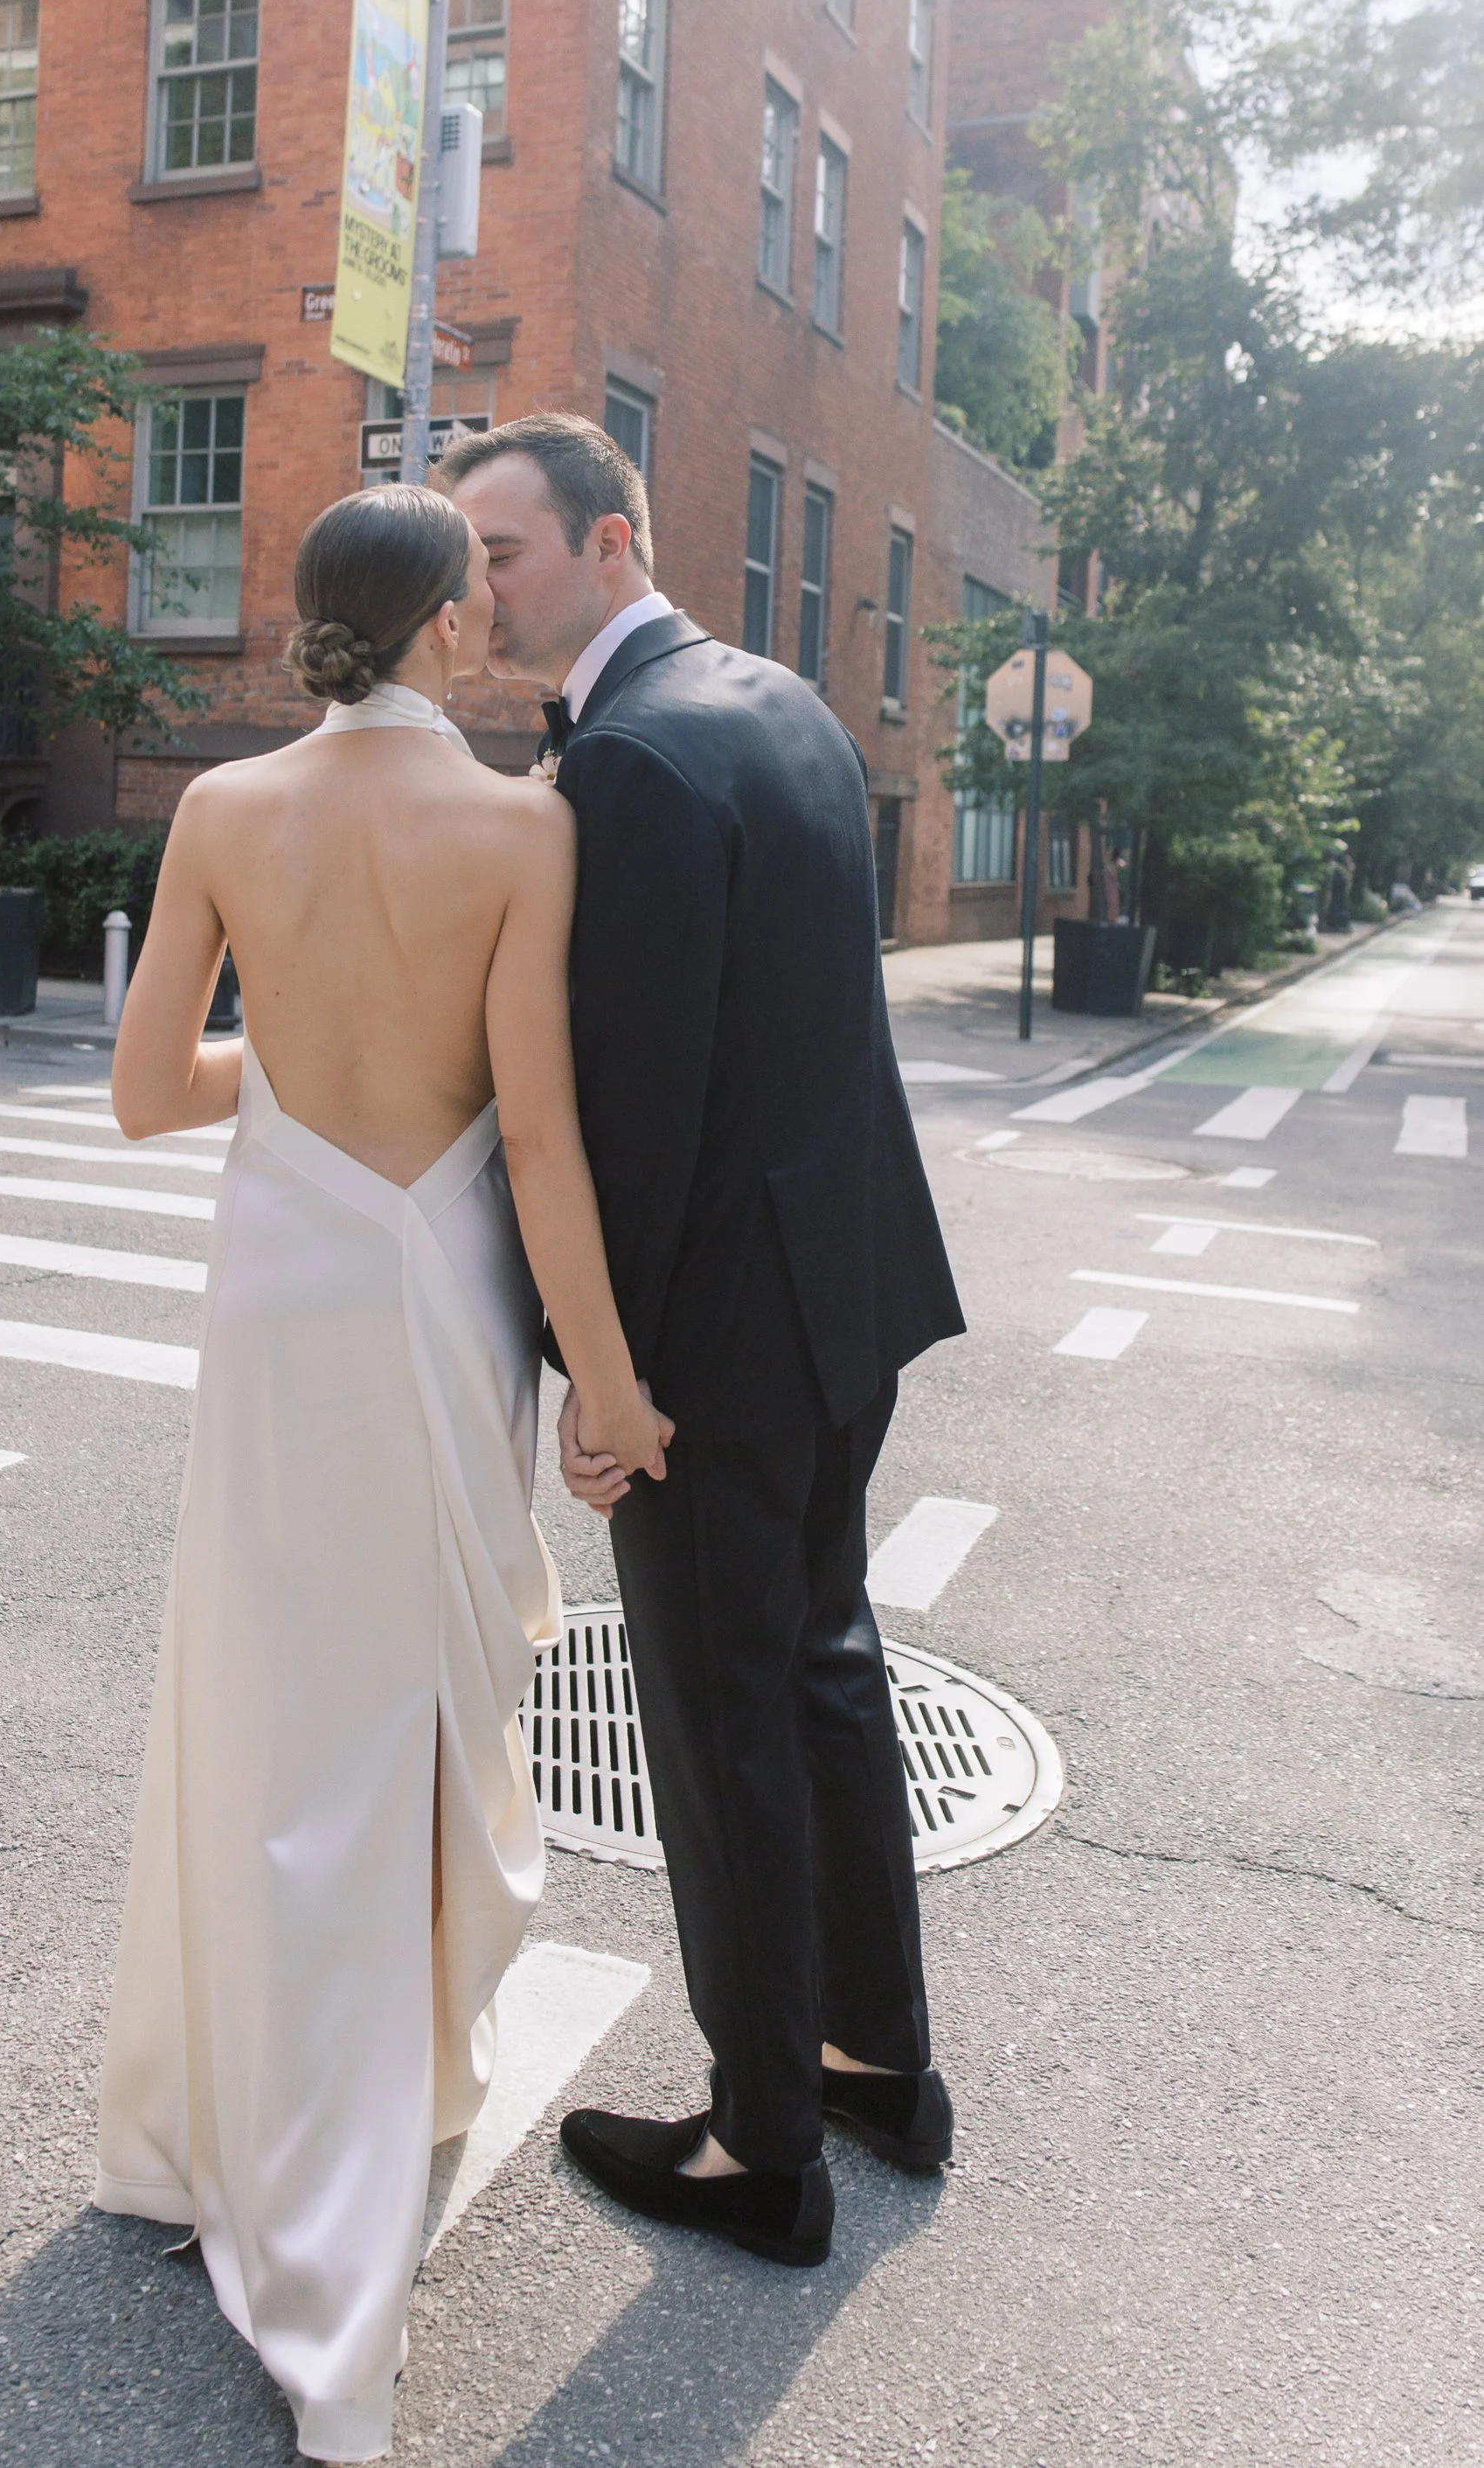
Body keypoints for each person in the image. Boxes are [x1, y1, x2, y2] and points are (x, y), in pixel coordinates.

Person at [94, 483, 668, 2463]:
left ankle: (231, 2111)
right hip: (427, 1284)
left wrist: (302, 1059)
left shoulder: (219, 814)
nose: (490, 624)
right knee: (416, 1703)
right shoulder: (524, 824)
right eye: (474, 602)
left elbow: (145, 1089)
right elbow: (532, 1141)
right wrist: (607, 1382)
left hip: (279, 1283)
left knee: (263, 1699)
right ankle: (384, 2091)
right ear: (435, 625)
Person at [440, 412, 967, 2269]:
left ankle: (763, 2146)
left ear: (611, 538)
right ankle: (873, 2059)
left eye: (502, 548)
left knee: (723, 1712)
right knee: (820, 1666)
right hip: (849, 1285)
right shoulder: (776, 700)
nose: (477, 582)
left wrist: (608, 1375)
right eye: (466, 552)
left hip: (724, 1332)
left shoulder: (638, 761)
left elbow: (624, 1113)